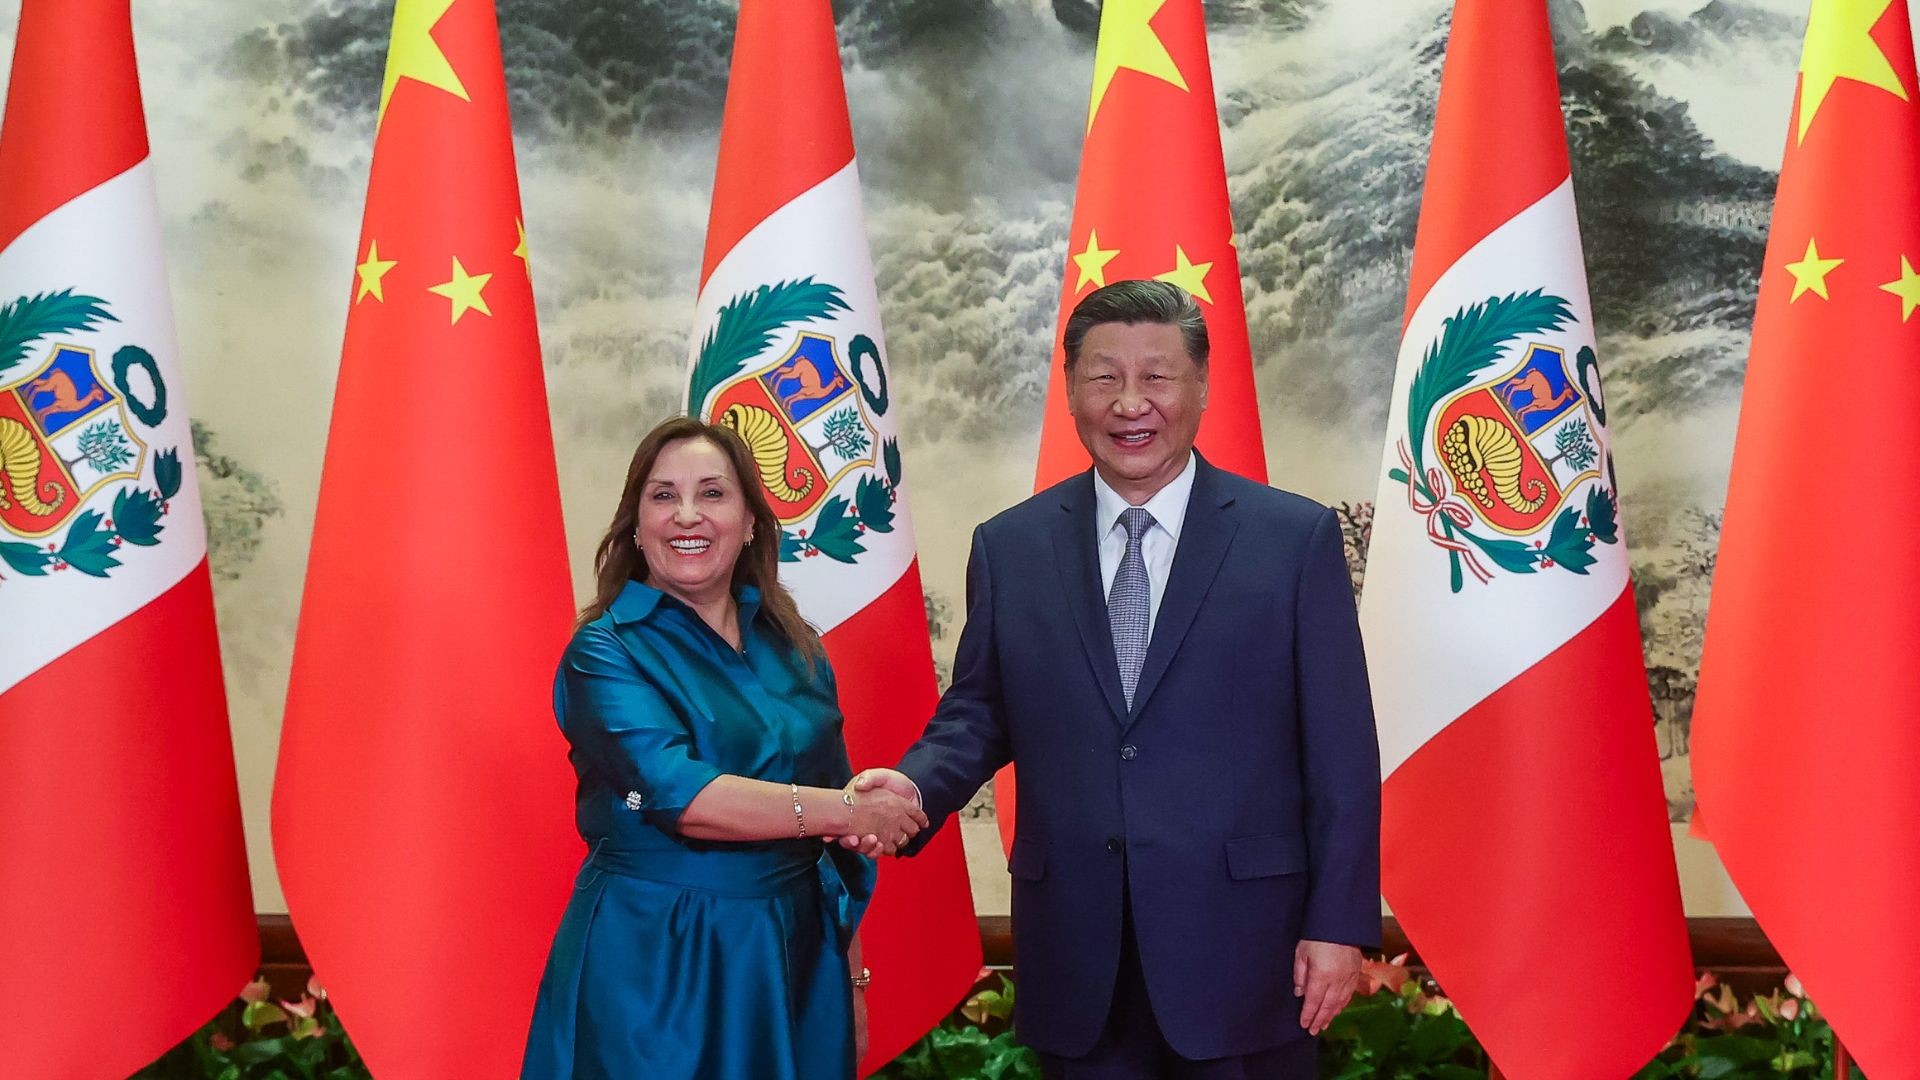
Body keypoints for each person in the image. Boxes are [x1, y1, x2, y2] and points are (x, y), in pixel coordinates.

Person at [851, 281, 1381, 1078]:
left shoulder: (1291, 539)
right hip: (1079, 951)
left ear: (1200, 387)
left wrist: (1338, 923)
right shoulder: (1013, 547)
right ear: (1070, 391)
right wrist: (913, 790)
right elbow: (980, 711)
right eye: (1105, 378)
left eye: (1157, 377)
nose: (1131, 402)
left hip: (1246, 953)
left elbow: (1341, 751)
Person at [522, 416, 928, 1080]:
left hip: (797, 961)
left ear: (749, 523)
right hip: (660, 958)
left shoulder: (796, 647)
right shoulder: (605, 652)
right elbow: (682, 797)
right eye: (662, 495)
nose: (688, 514)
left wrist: (852, 986)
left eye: (713, 493)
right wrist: (850, 812)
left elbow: (838, 836)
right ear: (635, 524)